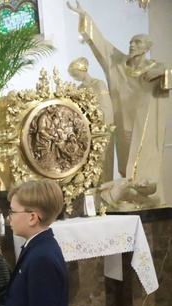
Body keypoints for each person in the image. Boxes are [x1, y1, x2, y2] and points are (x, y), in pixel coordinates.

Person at [68, 1, 171, 202]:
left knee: (144, 166)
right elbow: (102, 46)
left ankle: (147, 199)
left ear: (147, 47)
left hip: (146, 128)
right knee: (125, 164)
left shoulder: (156, 68)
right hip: (123, 123)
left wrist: (165, 72)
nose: (132, 45)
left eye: (138, 42)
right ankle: (129, 197)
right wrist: (84, 17)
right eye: (131, 42)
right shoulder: (118, 66)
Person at [67, 56, 114, 183]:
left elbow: (106, 108)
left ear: (83, 70)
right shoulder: (79, 89)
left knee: (103, 161)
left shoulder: (98, 84)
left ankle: (104, 188)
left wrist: (98, 121)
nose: (74, 78)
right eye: (72, 76)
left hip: (101, 130)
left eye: (75, 74)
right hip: (86, 132)